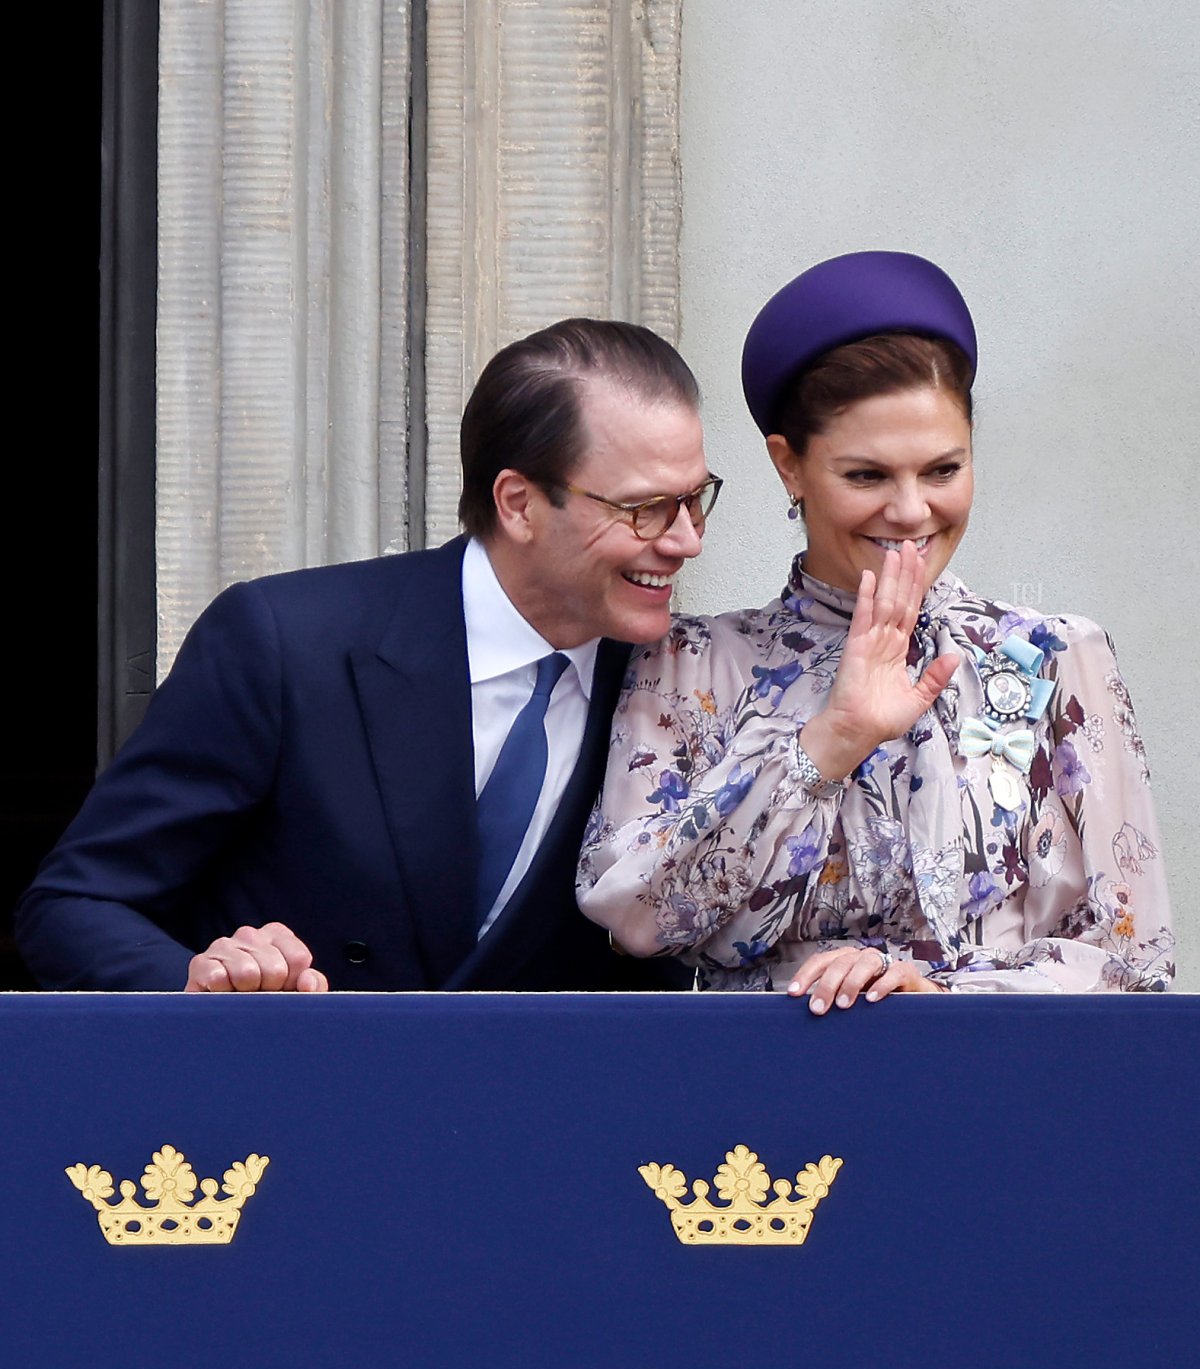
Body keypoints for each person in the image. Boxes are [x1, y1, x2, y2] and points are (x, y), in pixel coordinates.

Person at [17, 319, 720, 993]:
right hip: (294, 1104)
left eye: (695, 499)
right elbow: (72, 907)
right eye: (646, 508)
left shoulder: (685, 686)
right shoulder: (284, 645)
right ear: (518, 503)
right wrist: (202, 989)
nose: (686, 540)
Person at [578, 252, 1174, 1008]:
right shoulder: (692, 664)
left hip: (1003, 1097)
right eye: (867, 476)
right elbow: (634, 915)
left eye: (942, 469)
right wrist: (829, 742)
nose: (912, 510)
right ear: (788, 466)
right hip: (762, 1106)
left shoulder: (1059, 660)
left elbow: (1138, 965)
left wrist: (937, 991)